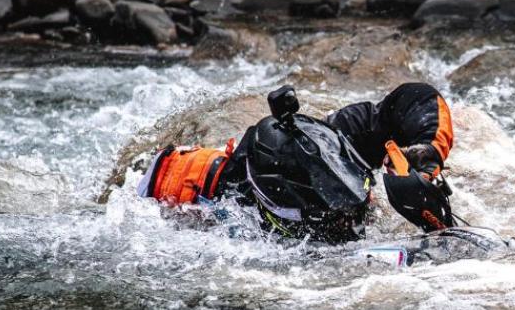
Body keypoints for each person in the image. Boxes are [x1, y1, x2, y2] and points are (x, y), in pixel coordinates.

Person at [137, 82, 456, 242]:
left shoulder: (340, 136)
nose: (346, 221)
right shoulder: (230, 218)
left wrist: (429, 154)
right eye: (333, 216)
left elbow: (418, 97)